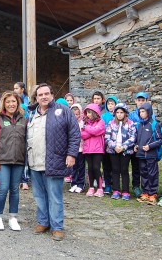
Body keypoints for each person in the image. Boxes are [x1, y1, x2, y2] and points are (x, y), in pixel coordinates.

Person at [27, 83, 80, 241]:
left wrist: (71, 154)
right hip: (34, 161)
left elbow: (75, 133)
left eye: (46, 94)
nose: (43, 97)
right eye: (40, 94)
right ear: (36, 97)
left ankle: (57, 226)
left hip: (55, 161)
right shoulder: (31, 114)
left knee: (55, 196)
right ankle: (43, 222)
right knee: (38, 195)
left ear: (52, 95)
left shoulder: (62, 111)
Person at [0, 91, 26, 231]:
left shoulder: (23, 119)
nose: (11, 104)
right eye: (8, 102)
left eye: (13, 102)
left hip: (19, 160)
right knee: (3, 188)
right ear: (4, 103)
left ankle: (13, 218)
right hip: (2, 160)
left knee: (15, 190)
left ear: (17, 103)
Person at [105, 103, 136, 200]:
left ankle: (126, 191)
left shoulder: (130, 124)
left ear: (125, 113)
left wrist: (123, 147)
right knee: (115, 170)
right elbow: (107, 137)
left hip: (125, 151)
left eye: (121, 112)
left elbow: (133, 137)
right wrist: (114, 146)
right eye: (117, 112)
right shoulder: (111, 123)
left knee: (124, 170)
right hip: (113, 151)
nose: (119, 114)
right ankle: (116, 190)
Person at [134, 103, 162, 204]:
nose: (142, 114)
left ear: (149, 112)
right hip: (141, 154)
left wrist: (150, 146)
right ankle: (145, 192)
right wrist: (136, 145)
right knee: (143, 173)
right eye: (140, 112)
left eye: (143, 111)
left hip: (151, 155)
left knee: (152, 174)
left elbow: (160, 140)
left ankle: (153, 193)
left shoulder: (154, 124)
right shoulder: (139, 125)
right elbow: (137, 139)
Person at [128, 92, 152, 197]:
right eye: (139, 100)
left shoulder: (151, 115)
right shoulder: (132, 115)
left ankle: (147, 188)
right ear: (135, 101)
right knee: (136, 167)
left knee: (146, 168)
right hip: (136, 144)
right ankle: (136, 186)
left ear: (147, 101)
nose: (141, 102)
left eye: (143, 100)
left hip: (147, 145)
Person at [81, 103, 106, 197]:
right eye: (87, 113)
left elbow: (98, 130)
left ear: (95, 113)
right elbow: (83, 135)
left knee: (96, 168)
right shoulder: (85, 122)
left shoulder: (101, 122)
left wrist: (87, 129)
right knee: (90, 168)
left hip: (97, 149)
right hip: (87, 149)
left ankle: (100, 188)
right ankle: (91, 187)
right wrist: (92, 131)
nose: (88, 115)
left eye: (90, 113)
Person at [101, 96, 118, 194]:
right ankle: (107, 185)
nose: (110, 106)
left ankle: (114, 184)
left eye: (112, 104)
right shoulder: (104, 116)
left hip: (116, 145)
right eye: (108, 104)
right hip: (106, 145)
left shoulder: (119, 115)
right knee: (106, 166)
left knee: (115, 167)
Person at [69, 103, 85, 193]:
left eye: (77, 114)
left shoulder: (82, 124)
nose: (75, 116)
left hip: (81, 149)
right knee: (73, 168)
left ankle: (81, 184)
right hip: (72, 150)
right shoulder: (69, 124)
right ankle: (73, 183)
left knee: (81, 167)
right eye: (73, 114)